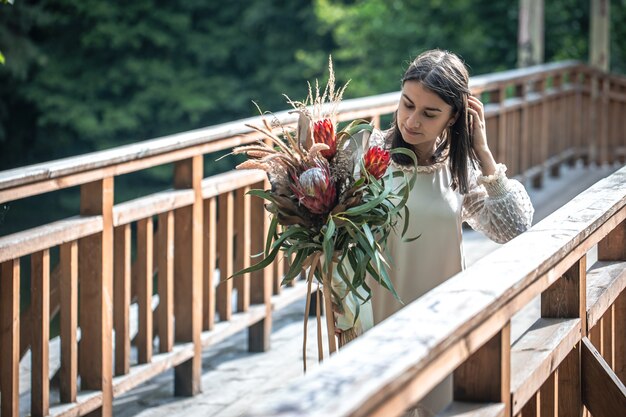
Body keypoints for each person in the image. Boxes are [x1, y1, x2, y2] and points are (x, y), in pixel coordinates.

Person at [368, 49, 535, 415]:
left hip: (439, 320)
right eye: (407, 104)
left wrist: (484, 151)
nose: (412, 121)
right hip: (375, 321)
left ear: (454, 117)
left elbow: (517, 229)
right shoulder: (367, 157)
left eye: (430, 113)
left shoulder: (459, 169)